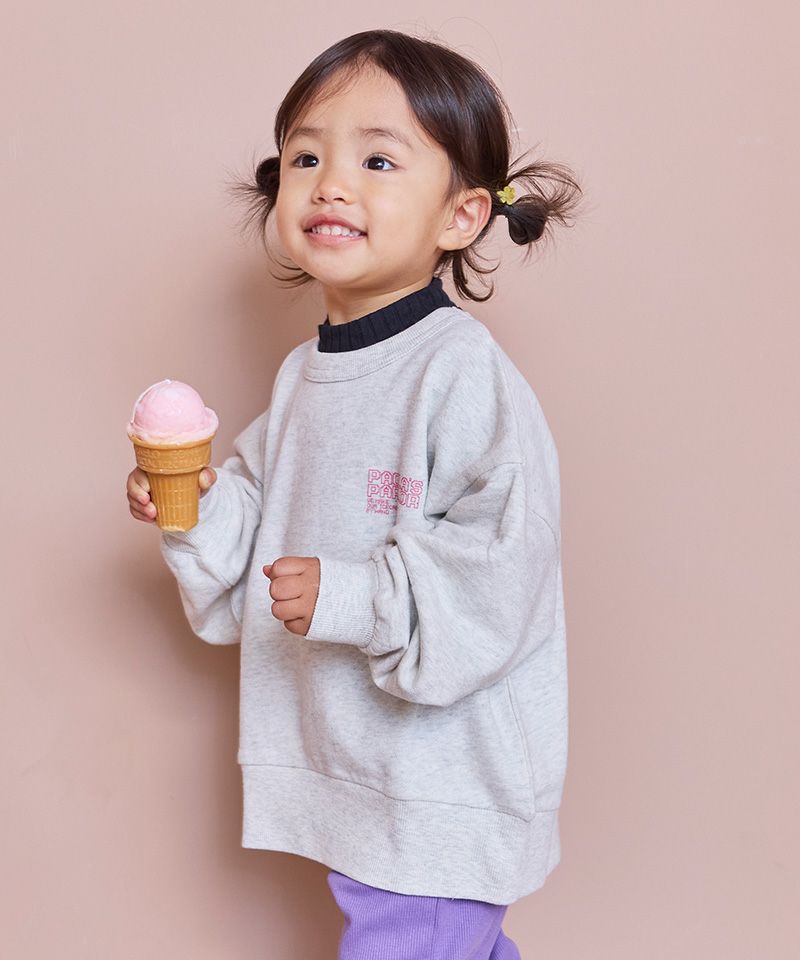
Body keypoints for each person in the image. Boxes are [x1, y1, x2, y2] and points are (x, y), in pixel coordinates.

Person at [126, 28, 582, 960]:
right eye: (306, 157)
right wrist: (195, 508)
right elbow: (259, 525)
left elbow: (502, 566)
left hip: (443, 782)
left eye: (377, 160)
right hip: (363, 766)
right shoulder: (306, 376)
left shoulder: (460, 374)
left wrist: (353, 595)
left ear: (461, 216)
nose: (331, 183)